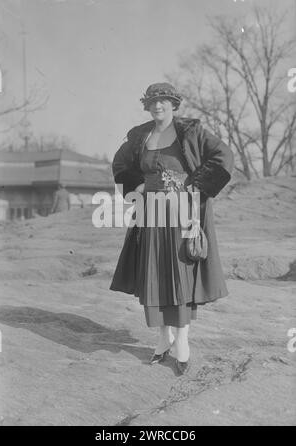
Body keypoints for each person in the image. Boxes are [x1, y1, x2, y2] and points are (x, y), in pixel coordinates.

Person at [109, 82, 234, 375]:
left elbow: (223, 156)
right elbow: (120, 163)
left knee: (180, 273)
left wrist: (197, 188)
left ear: (174, 104)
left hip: (183, 210)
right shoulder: (140, 135)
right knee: (152, 271)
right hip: (149, 213)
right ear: (147, 106)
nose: (158, 106)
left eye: (164, 101)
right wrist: (136, 184)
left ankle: (183, 342)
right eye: (153, 101)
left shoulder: (191, 131)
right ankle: (162, 340)